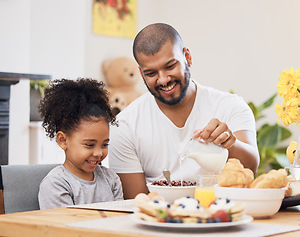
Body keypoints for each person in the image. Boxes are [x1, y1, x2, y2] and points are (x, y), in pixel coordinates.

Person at [109, 23, 260, 199]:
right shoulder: (124, 125)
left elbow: (251, 168)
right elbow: (136, 202)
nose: (163, 80)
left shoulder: (230, 106)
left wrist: (229, 143)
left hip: (223, 217)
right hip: (159, 222)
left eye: (170, 66)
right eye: (151, 73)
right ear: (141, 74)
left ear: (187, 57)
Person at [38, 78, 123, 209]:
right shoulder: (56, 184)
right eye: (89, 145)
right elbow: (64, 228)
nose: (99, 153)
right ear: (63, 140)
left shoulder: (111, 179)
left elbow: (120, 220)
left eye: (105, 144)